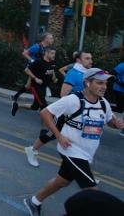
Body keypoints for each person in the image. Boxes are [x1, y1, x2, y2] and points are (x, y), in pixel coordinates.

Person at [23, 68, 124, 216]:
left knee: (62, 181)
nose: (104, 87)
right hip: (71, 149)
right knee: (93, 193)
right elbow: (45, 113)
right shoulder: (73, 100)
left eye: (106, 83)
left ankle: (34, 201)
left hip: (87, 152)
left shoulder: (103, 103)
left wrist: (117, 124)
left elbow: (110, 121)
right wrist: (59, 136)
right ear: (87, 83)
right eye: (99, 83)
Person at [24, 51, 93, 167]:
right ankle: (33, 149)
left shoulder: (87, 74)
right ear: (78, 60)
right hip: (70, 113)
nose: (90, 61)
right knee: (52, 134)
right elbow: (63, 94)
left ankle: (82, 169)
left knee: (81, 140)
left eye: (91, 58)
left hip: (81, 113)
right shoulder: (74, 73)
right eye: (87, 58)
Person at [12, 33, 55, 110]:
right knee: (30, 85)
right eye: (51, 38)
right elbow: (24, 53)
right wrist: (32, 60)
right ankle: (40, 104)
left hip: (39, 70)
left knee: (28, 85)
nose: (52, 40)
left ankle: (16, 97)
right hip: (33, 69)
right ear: (45, 39)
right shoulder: (37, 47)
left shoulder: (48, 49)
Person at [113, 62, 124, 136]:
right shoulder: (123, 65)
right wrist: (119, 81)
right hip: (119, 89)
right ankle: (102, 107)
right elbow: (113, 72)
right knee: (120, 109)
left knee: (121, 109)